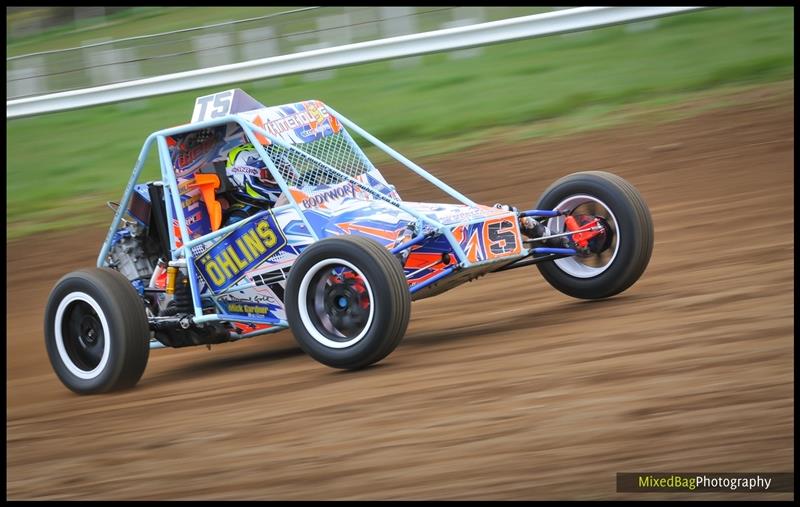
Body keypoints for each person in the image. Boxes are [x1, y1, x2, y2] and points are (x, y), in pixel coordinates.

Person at [221, 143, 284, 226]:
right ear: (245, 179)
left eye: (282, 169)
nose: (281, 177)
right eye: (270, 174)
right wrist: (277, 213)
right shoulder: (240, 217)